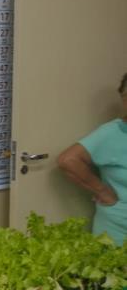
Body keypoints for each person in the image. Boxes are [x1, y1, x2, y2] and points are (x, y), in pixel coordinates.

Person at [57, 72, 127, 246]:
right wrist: (103, 192)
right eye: (126, 97)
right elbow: (68, 160)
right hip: (118, 229)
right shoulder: (112, 132)